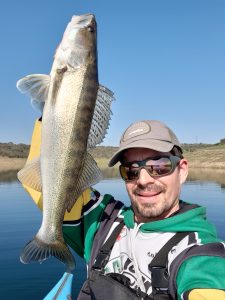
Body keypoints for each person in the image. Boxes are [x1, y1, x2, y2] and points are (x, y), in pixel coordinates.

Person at [23, 119, 225, 300]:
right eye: (131, 170)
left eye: (159, 166)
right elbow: (46, 185)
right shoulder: (102, 222)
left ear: (182, 170)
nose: (144, 180)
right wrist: (52, 115)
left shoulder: (199, 253)